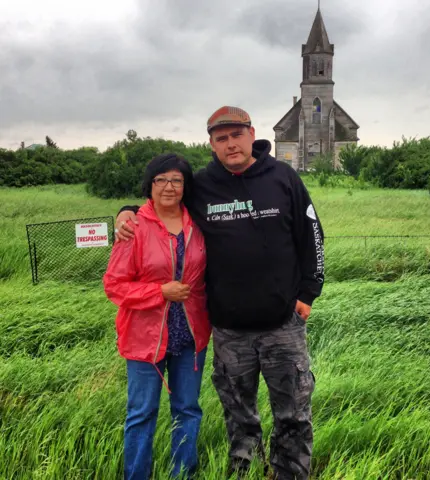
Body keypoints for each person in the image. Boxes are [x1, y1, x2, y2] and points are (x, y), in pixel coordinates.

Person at [115, 106, 325, 480]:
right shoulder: (204, 185)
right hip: (228, 331)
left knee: (292, 413)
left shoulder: (284, 177)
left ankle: (290, 474)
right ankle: (244, 472)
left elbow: (313, 234)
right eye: (221, 138)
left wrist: (308, 293)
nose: (230, 144)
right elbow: (163, 200)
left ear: (251, 134)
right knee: (240, 416)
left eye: (236, 135)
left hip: (283, 326)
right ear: (211, 144)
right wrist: (126, 211)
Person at [103, 153, 211, 480]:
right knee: (141, 414)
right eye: (161, 180)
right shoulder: (133, 227)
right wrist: (159, 293)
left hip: (190, 336)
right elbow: (114, 285)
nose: (168, 187)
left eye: (176, 180)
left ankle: (183, 474)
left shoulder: (199, 222)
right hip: (144, 338)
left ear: (185, 186)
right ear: (149, 185)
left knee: (188, 411)